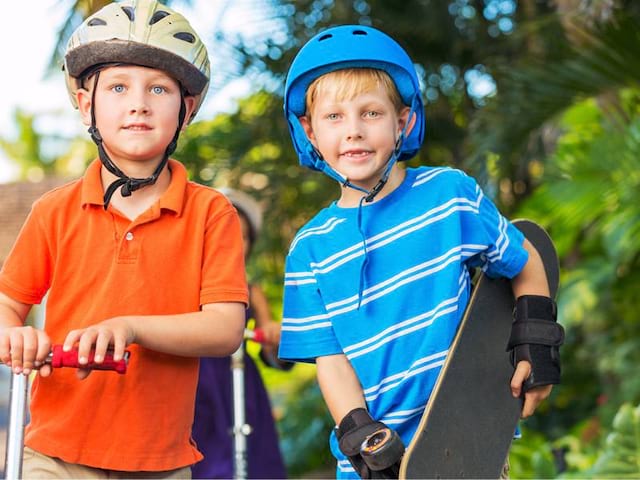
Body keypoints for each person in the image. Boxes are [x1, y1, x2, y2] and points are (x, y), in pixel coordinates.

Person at [278, 25, 564, 479]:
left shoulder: (447, 196)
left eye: (370, 112)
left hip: (467, 440)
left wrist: (536, 342)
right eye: (334, 117)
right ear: (309, 132)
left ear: (403, 121)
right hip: (373, 460)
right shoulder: (310, 248)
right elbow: (331, 363)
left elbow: (525, 258)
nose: (353, 131)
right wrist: (359, 432)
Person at [0, 1, 248, 478]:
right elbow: (6, 306)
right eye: (118, 86)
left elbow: (224, 329)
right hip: (55, 453)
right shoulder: (53, 211)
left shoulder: (211, 212)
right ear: (86, 104)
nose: (139, 102)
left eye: (159, 88)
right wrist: (17, 334)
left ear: (187, 109)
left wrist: (130, 327)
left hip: (161, 460)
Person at [191, 187, 288, 479]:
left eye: (241, 236)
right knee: (204, 455)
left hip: (240, 380)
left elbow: (271, 347)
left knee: (252, 456)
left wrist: (272, 335)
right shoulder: (185, 288)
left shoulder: (251, 291)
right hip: (197, 383)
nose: (231, 242)